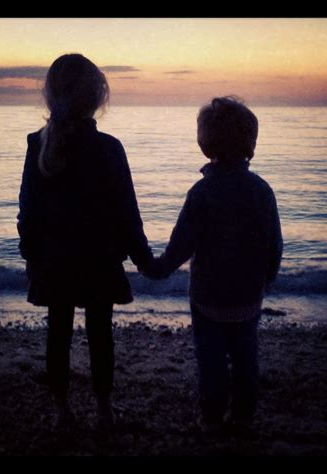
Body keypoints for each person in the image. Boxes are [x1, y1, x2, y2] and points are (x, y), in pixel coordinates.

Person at [17, 54, 153, 431]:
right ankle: (104, 410)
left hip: (55, 261)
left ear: (50, 96)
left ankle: (62, 412)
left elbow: (29, 210)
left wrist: (31, 255)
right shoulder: (109, 148)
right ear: (98, 99)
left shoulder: (38, 145)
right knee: (100, 334)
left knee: (57, 333)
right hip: (99, 261)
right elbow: (128, 213)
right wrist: (146, 261)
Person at [140, 96, 283, 433]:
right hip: (249, 293)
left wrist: (156, 268)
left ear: (205, 144)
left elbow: (181, 245)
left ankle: (213, 416)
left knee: (211, 358)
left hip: (208, 296)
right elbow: (273, 242)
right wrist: (270, 276)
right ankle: (244, 413)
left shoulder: (202, 193)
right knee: (246, 354)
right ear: (251, 143)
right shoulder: (262, 191)